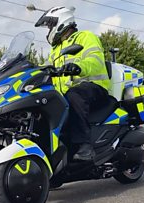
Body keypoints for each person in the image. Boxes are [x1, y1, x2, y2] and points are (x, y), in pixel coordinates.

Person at [35, 6, 110, 161]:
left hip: (93, 88)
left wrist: (78, 67)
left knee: (74, 95)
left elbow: (95, 61)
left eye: (50, 25)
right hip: (66, 94)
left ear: (61, 22)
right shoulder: (56, 50)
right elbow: (45, 68)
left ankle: (85, 146)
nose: (49, 29)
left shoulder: (85, 37)